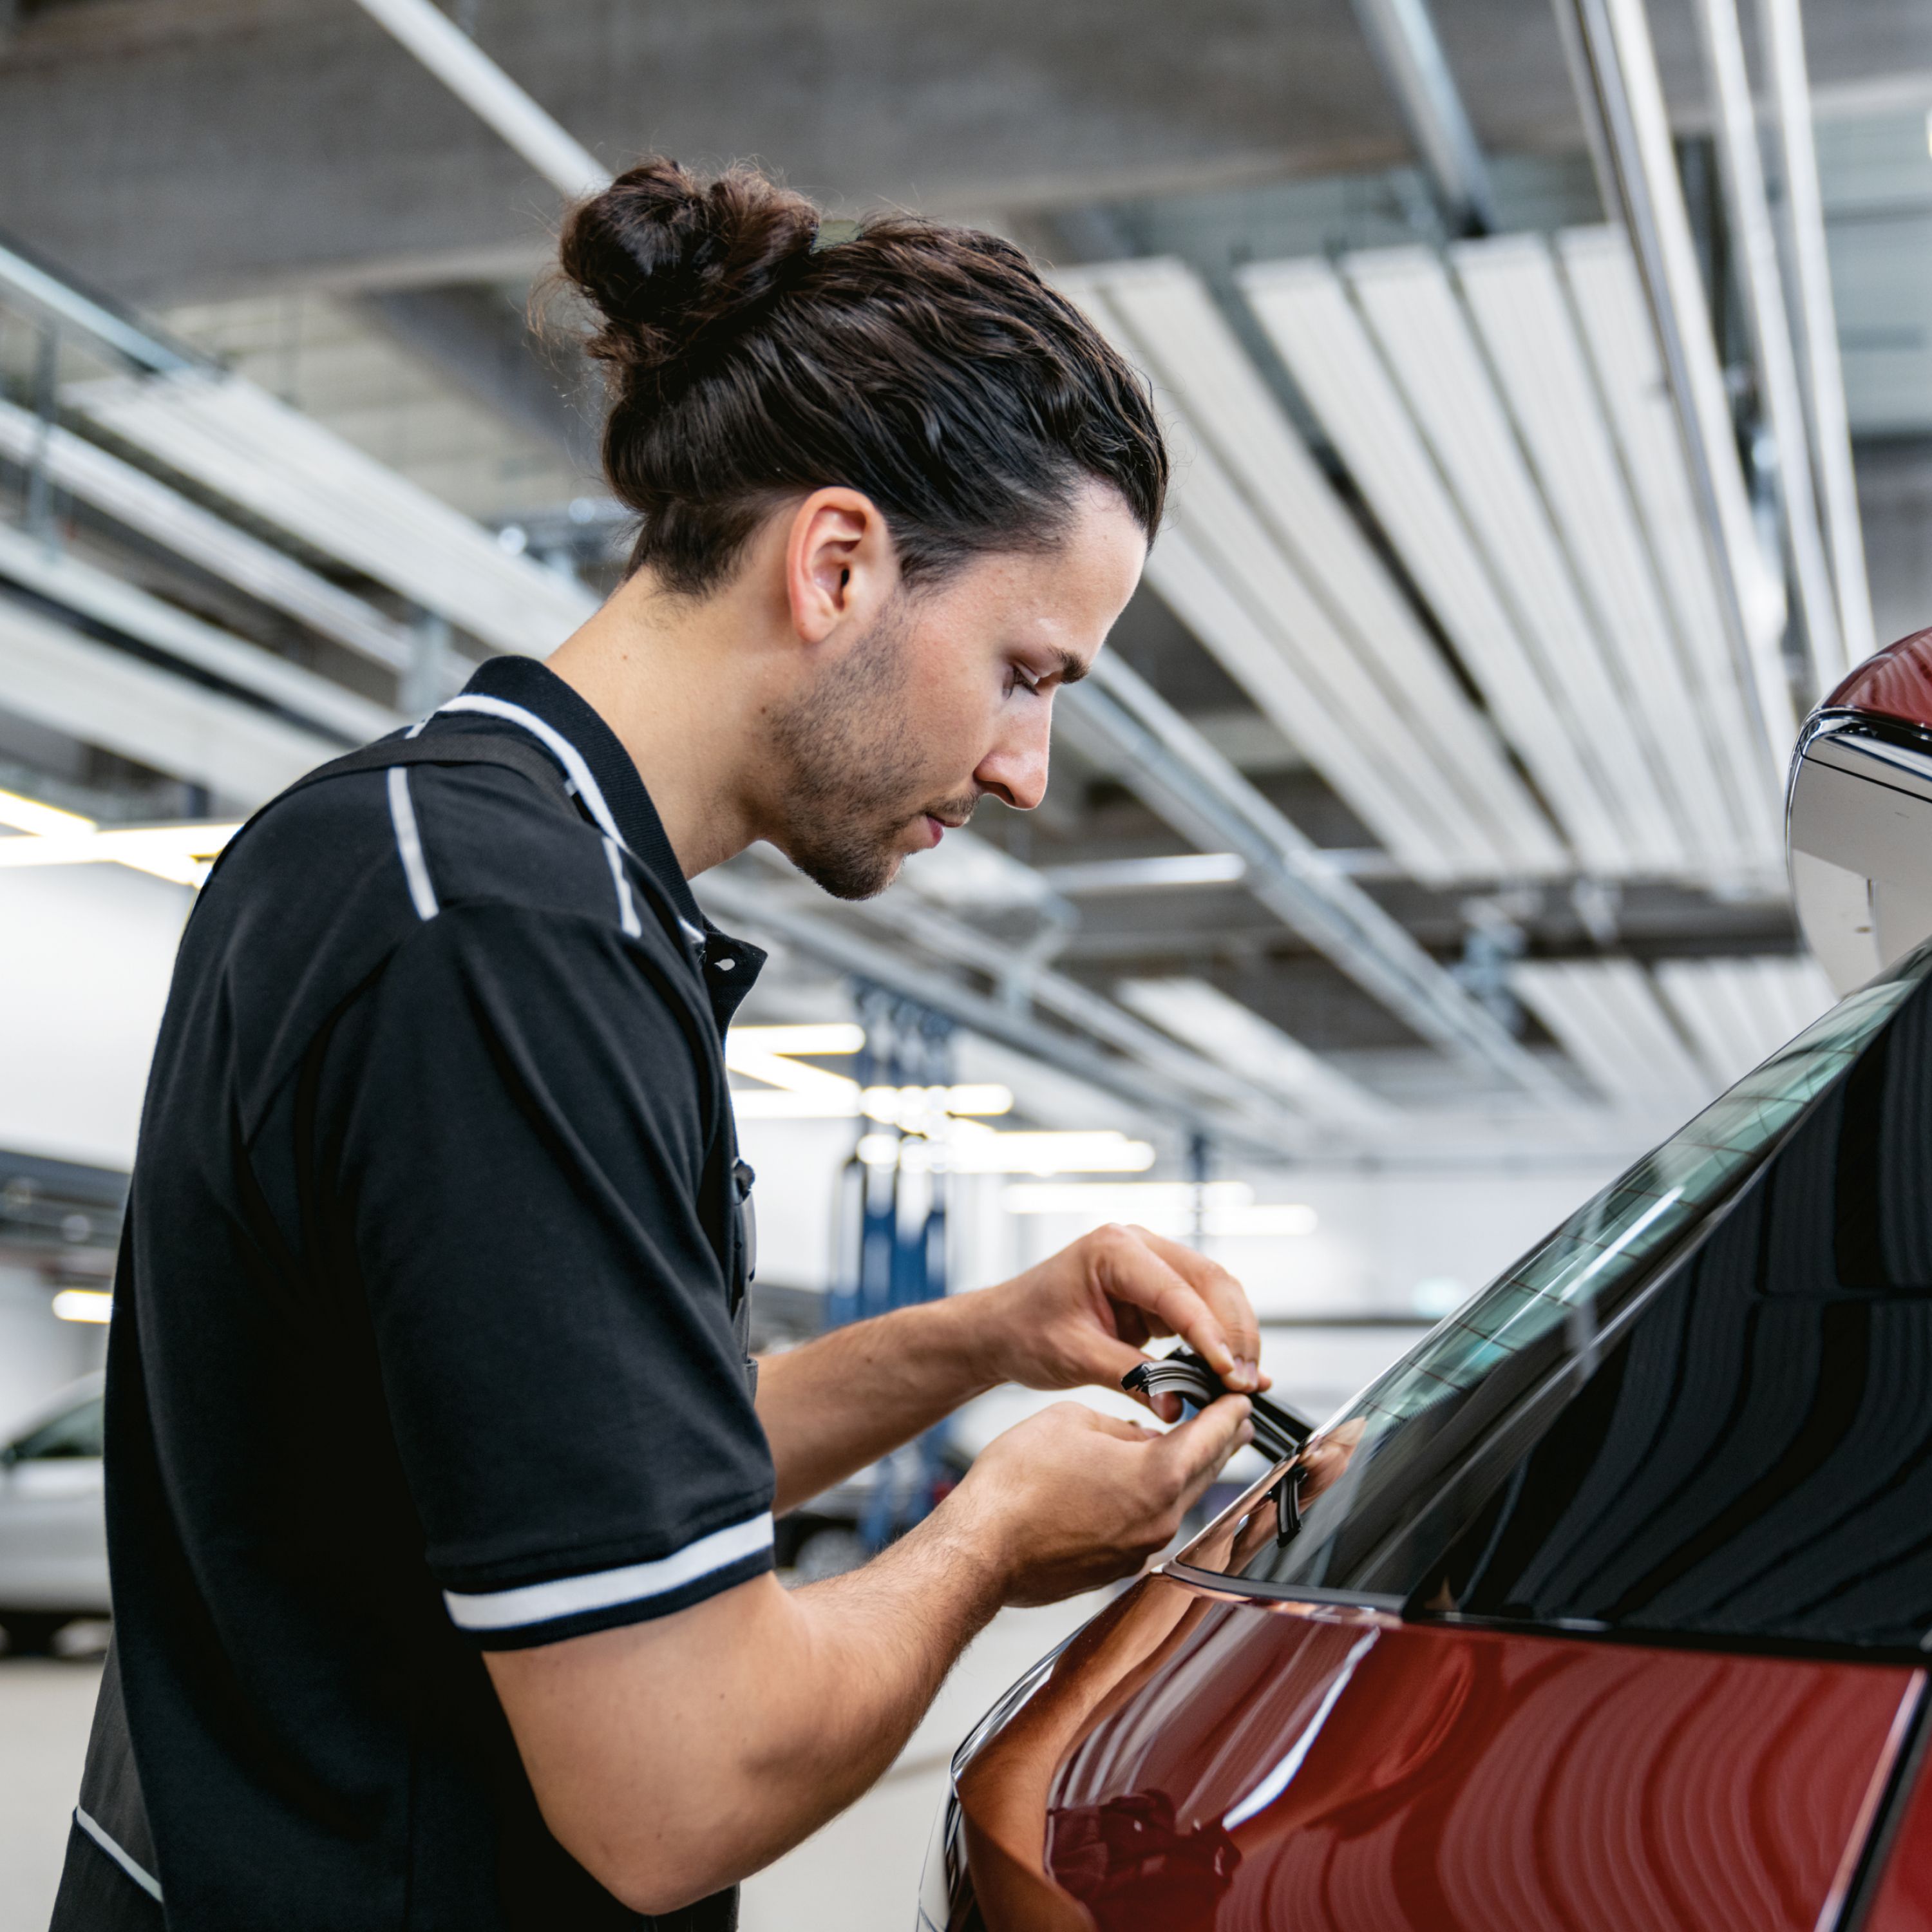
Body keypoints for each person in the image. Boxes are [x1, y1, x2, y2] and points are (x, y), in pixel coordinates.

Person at [53, 157, 1265, 1931]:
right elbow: (676, 1788)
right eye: (1028, 671)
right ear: (840, 564)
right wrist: (995, 1532)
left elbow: (586, 1483)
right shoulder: (504, 943)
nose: (1026, 770)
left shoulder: (436, 857)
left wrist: (981, 1340)